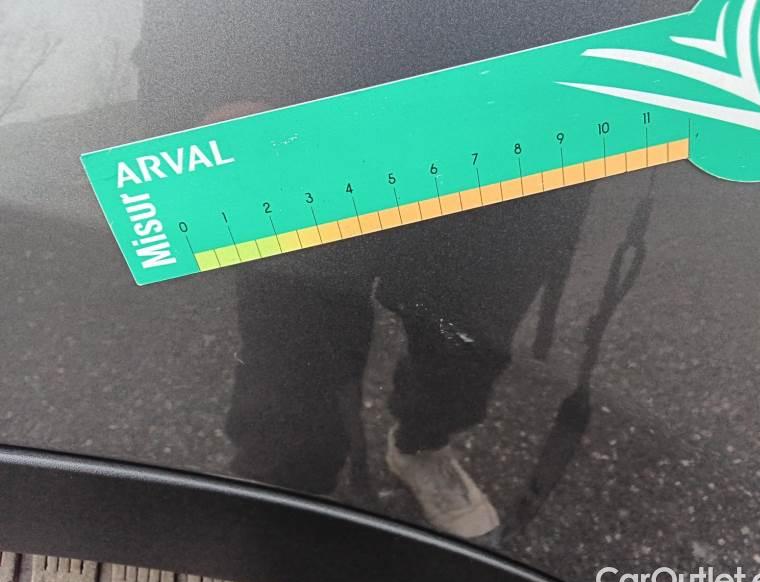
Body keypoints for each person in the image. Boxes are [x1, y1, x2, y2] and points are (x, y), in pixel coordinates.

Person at [135, 0, 591, 541]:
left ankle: (422, 445)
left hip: (527, 103)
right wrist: (219, 81)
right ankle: (286, 496)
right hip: (305, 95)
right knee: (293, 350)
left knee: (468, 339)